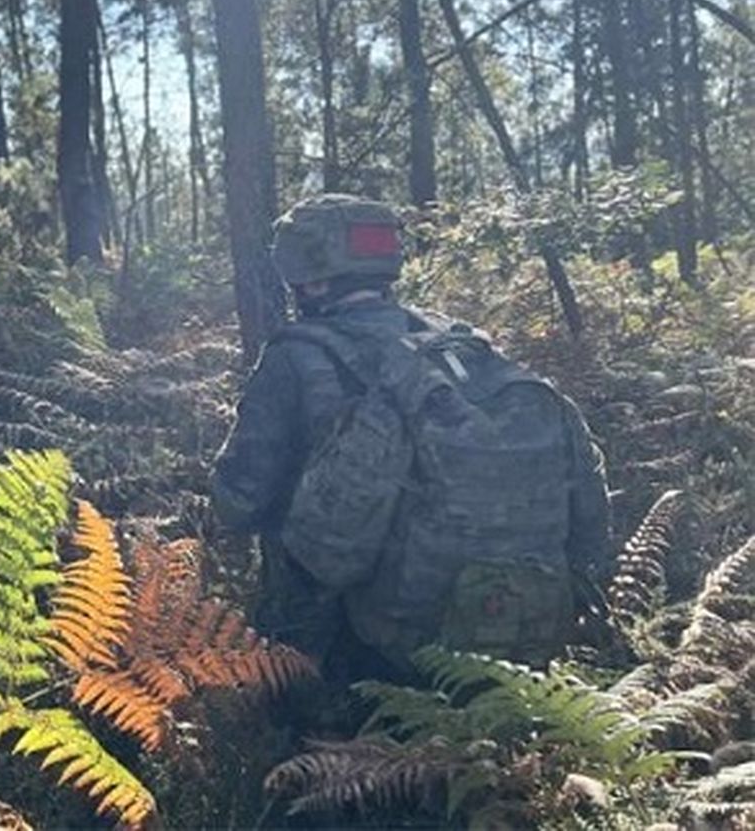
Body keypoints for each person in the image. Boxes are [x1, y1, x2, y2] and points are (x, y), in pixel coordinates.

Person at [212, 194, 609, 681]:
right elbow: (590, 519)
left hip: (365, 644)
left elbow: (239, 503)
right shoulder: (458, 340)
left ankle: (297, 715)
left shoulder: (294, 358)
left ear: (307, 276)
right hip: (522, 630)